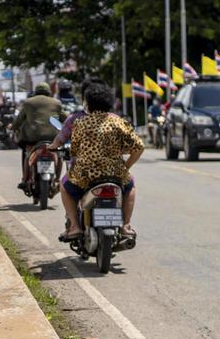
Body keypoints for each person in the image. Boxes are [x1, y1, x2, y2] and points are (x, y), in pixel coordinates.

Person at [61, 82, 143, 241]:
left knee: (64, 187)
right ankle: (126, 225)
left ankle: (75, 227)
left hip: (86, 175)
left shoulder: (80, 122)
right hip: (115, 174)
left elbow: (75, 150)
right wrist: (126, 166)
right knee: (130, 187)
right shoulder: (118, 121)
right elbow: (139, 147)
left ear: (88, 103)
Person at [11, 81, 62, 190]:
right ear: (49, 91)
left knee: (28, 154)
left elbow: (18, 120)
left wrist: (13, 127)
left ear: (36, 91)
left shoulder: (28, 102)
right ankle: (57, 180)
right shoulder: (57, 103)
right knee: (59, 155)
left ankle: (24, 179)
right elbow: (65, 118)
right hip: (52, 138)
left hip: (33, 138)